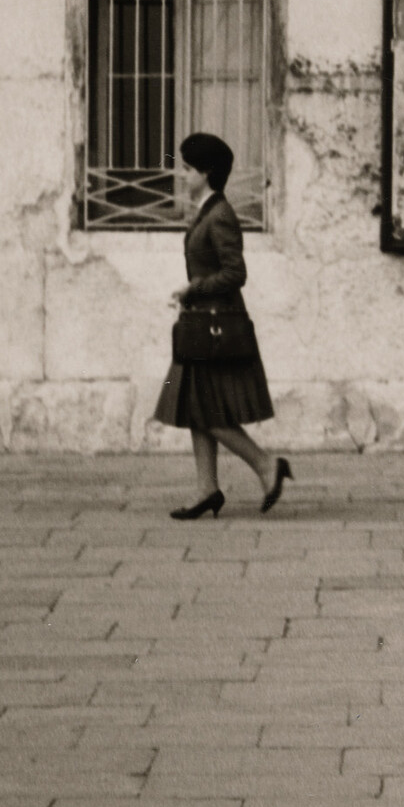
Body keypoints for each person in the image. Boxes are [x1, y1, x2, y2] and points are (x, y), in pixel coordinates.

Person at [155, 132, 291, 521]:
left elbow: (236, 273)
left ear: (206, 173)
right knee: (195, 406)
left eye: (187, 168)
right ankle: (207, 488)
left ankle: (266, 465)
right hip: (201, 326)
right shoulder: (208, 212)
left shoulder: (220, 215)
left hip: (214, 330)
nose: (182, 175)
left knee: (208, 410)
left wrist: (193, 289)